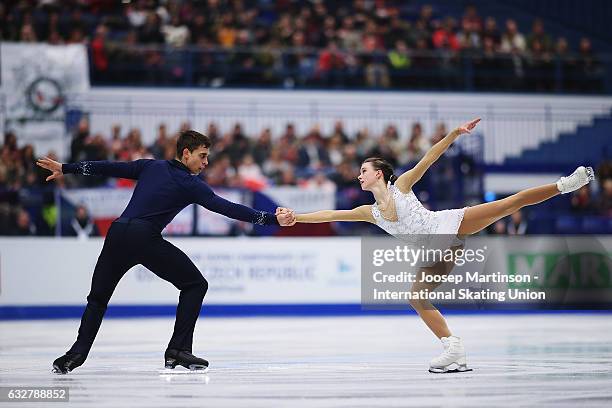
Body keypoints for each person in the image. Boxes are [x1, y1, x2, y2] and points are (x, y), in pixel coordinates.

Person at [277, 118, 594, 373]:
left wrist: (455, 133)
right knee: (415, 298)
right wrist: (297, 217)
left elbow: (429, 157)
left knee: (509, 204)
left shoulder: (401, 185)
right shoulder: (368, 213)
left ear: (380, 175)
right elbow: (330, 214)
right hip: (434, 250)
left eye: (364, 171)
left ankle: (566, 185)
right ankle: (453, 348)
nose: (359, 176)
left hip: (446, 226)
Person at [37, 130, 296, 374]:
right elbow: (227, 208)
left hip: (117, 234)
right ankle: (178, 350)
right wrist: (272, 219)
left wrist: (66, 168)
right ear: (186, 153)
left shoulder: (150, 166)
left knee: (97, 299)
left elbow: (110, 167)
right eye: (202, 156)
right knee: (195, 284)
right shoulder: (190, 184)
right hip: (143, 237)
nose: (206, 162)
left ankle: (74, 356)